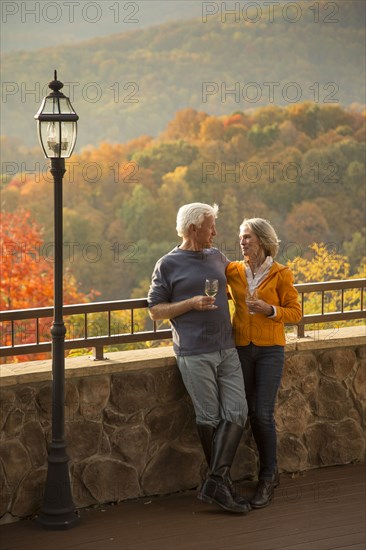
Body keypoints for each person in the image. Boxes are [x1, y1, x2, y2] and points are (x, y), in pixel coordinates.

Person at [148, 203, 251, 514]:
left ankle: (215, 481)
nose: (215, 233)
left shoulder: (218, 257)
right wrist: (191, 303)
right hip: (193, 352)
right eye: (211, 227)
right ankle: (222, 485)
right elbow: (155, 310)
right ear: (192, 229)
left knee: (237, 411)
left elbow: (239, 285)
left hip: (227, 347)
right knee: (209, 417)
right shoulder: (167, 264)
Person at [226, 217, 302, 509]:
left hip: (271, 350)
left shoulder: (282, 274)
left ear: (262, 239)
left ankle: (268, 476)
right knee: (242, 411)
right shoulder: (232, 270)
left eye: (247, 237)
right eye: (241, 237)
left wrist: (270, 309)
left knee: (262, 413)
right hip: (242, 349)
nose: (242, 242)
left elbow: (295, 313)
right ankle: (228, 477)